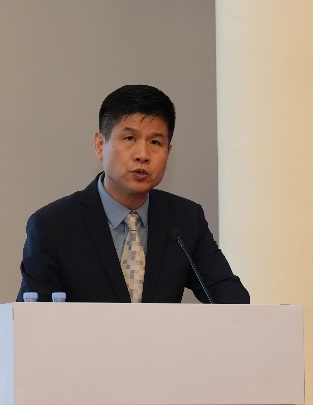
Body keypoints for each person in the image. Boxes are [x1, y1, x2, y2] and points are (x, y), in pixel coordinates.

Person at [16, 85, 250, 304]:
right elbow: (30, 321)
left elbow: (233, 302)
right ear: (100, 144)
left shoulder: (185, 220)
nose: (143, 155)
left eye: (155, 142)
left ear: (168, 152)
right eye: (129, 138)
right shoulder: (53, 226)